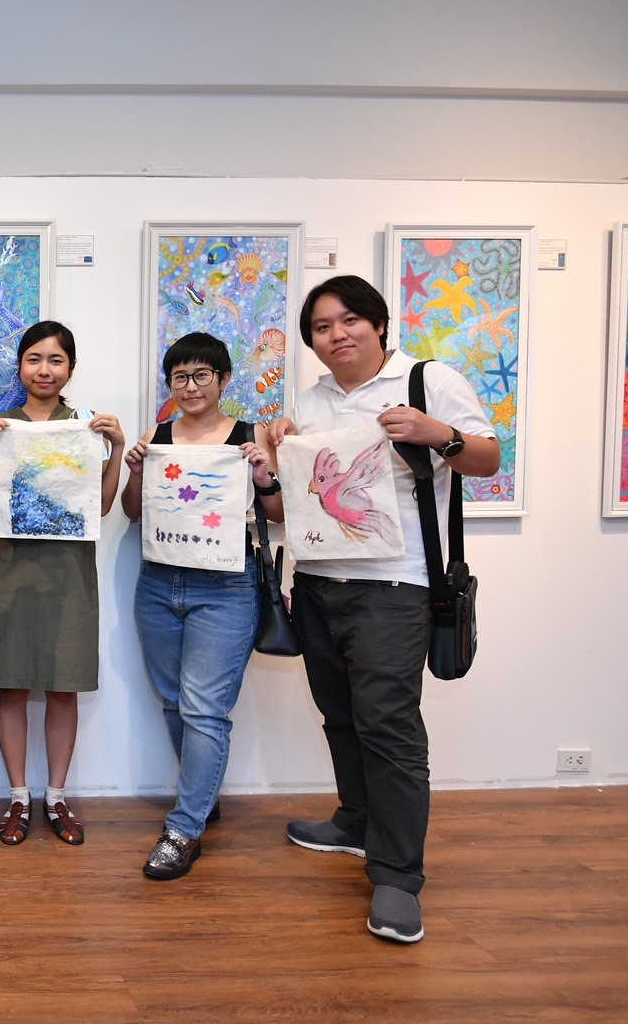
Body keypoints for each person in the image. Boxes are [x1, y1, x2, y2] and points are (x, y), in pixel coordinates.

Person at [269, 275, 497, 942]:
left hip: (396, 586)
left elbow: (487, 459)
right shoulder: (311, 401)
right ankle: (355, 821)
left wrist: (437, 433)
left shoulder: (428, 381)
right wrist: (274, 461)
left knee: (389, 727)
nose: (336, 335)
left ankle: (397, 876)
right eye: (321, 327)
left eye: (349, 321)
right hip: (316, 582)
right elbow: (293, 503)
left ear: (378, 324)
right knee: (341, 715)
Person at [120, 331, 282, 879]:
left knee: (204, 709)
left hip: (226, 586)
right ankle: (201, 797)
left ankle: (184, 828)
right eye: (180, 377)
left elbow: (280, 514)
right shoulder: (157, 435)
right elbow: (133, 512)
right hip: (158, 582)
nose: (190, 387)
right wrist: (136, 470)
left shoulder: (249, 435)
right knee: (173, 702)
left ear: (223, 379)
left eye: (201, 376)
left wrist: (263, 474)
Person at [0, 321, 124, 847]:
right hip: (10, 572)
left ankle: (56, 797)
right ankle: (18, 797)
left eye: (56, 360)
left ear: (71, 368)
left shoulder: (84, 427)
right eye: (34, 359)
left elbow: (100, 507)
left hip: (68, 574)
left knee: (64, 687)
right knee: (12, 682)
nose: (44, 370)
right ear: (19, 367)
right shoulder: (2, 428)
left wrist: (117, 448)